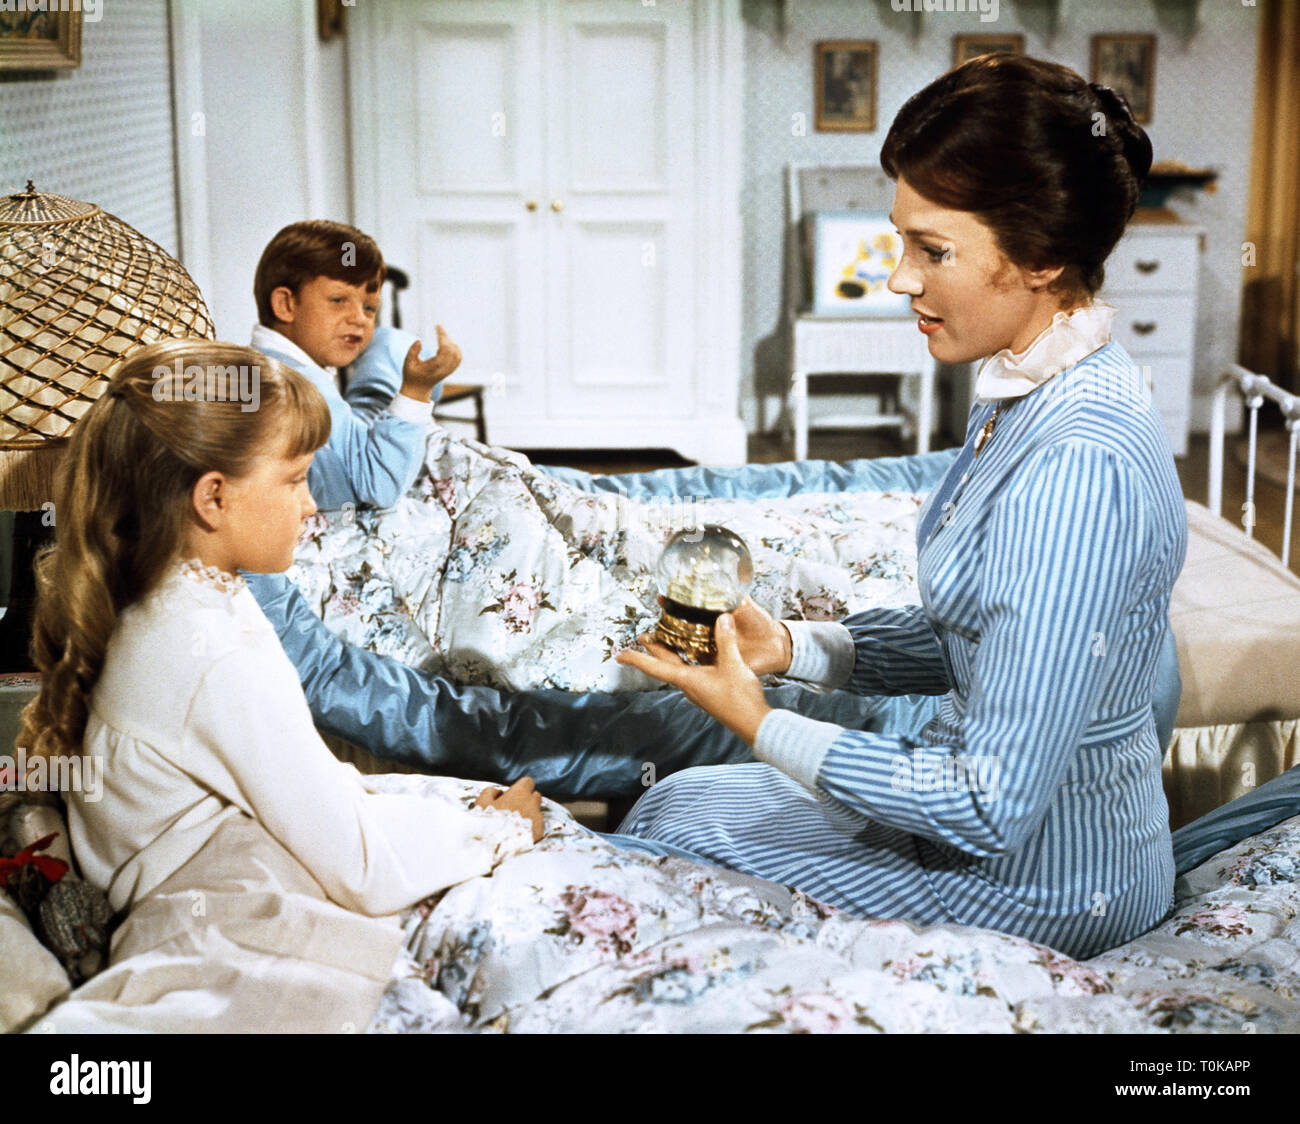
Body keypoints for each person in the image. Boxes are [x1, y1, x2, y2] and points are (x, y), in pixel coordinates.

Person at [615, 54, 1188, 959]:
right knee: (677, 797)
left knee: (662, 851)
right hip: (982, 836)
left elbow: (987, 802)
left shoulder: (1077, 461)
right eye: (901, 242)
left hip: (1050, 880)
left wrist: (759, 720)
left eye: (933, 250)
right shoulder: (1035, 382)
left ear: (1041, 257)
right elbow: (987, 626)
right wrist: (798, 650)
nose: (898, 279)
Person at [17, 339, 543, 1028]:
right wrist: (497, 835)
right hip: (228, 902)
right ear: (214, 497)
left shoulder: (188, 593)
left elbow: (303, 781)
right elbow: (360, 865)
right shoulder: (208, 650)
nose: (311, 508)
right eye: (296, 479)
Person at [249, 219, 462, 511]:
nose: (359, 318)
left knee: (387, 342)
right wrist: (416, 390)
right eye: (338, 300)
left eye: (369, 307)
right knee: (392, 345)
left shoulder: (264, 364)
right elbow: (380, 486)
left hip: (357, 429)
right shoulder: (300, 388)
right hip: (364, 450)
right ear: (286, 304)